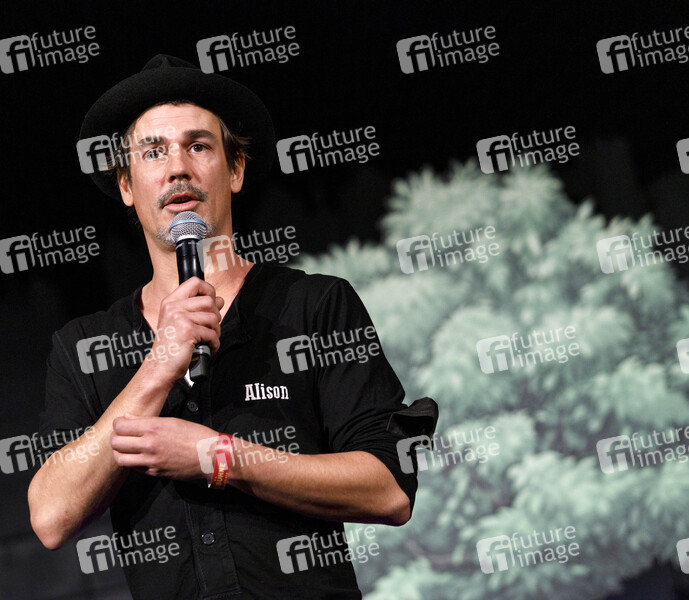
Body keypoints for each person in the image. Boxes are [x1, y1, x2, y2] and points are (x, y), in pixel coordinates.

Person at [28, 54, 435, 599]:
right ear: (126, 184)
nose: (177, 168)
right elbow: (51, 516)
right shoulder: (83, 346)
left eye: (198, 146)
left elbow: (389, 491)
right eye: (153, 152)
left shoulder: (314, 305)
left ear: (235, 169)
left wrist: (220, 458)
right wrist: (160, 365)